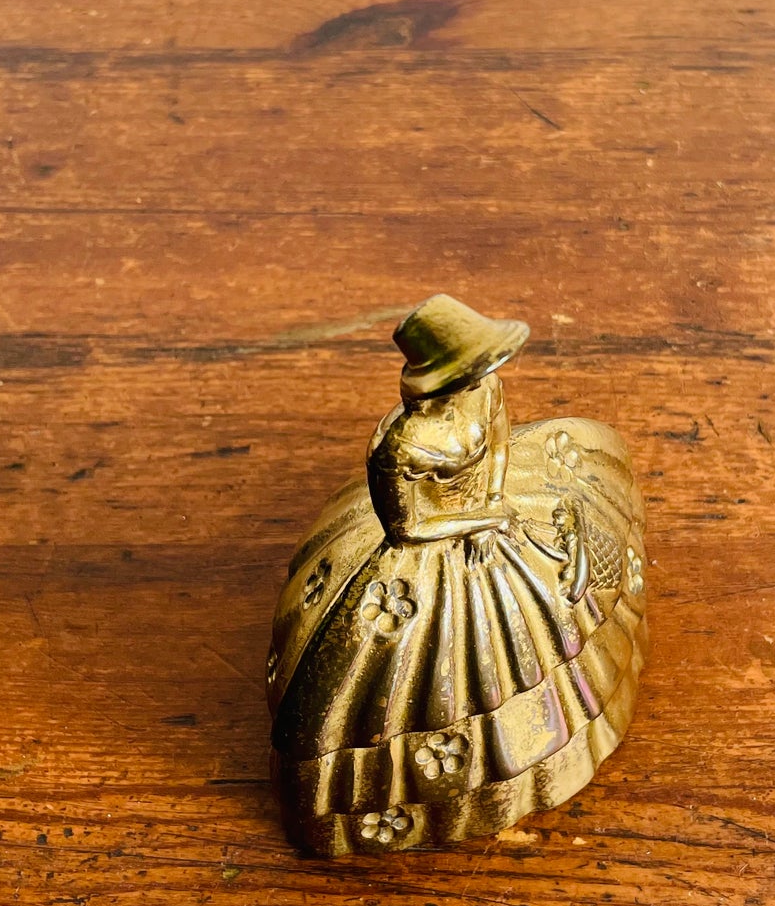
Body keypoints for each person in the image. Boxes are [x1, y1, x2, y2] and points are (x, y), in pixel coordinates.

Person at [267, 295, 646, 854]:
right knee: (417, 678)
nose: (487, 376)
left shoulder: (484, 392)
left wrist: (496, 511)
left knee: (537, 627)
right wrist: (482, 519)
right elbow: (407, 525)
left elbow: (496, 453)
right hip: (417, 562)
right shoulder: (399, 446)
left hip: (494, 527)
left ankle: (536, 754)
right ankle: (406, 796)